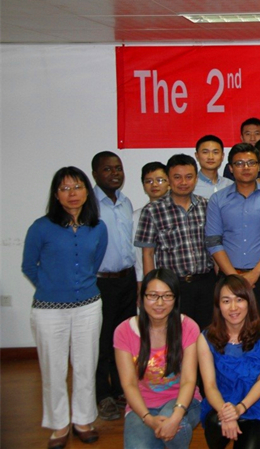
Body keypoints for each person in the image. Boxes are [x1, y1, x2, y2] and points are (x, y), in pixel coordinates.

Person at [23, 167, 108, 449]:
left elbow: (94, 264)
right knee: (53, 368)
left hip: (88, 307)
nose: (72, 194)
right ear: (56, 195)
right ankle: (59, 423)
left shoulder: (98, 227)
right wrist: (50, 287)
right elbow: (28, 266)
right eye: (65, 188)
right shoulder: (41, 227)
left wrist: (79, 286)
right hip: (49, 310)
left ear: (87, 192)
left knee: (86, 365)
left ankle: (83, 420)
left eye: (78, 187)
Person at [114, 268, 202, 449]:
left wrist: (176, 416)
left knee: (175, 426)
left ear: (175, 299)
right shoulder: (124, 331)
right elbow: (129, 384)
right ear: (141, 298)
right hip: (142, 407)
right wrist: (148, 419)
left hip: (183, 402)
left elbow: (188, 380)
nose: (160, 303)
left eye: (167, 296)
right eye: (153, 295)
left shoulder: (188, 327)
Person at [206, 143, 260, 323]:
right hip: (228, 278)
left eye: (251, 163)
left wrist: (254, 274)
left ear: (258, 166)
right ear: (230, 168)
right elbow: (213, 241)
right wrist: (234, 277)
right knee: (228, 329)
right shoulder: (217, 199)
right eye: (239, 163)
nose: (246, 167)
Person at [136, 154, 216, 329]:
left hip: (206, 283)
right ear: (168, 179)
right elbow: (148, 253)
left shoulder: (207, 206)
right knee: (176, 334)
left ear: (196, 178)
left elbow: (215, 246)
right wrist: (152, 289)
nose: (183, 182)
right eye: (177, 177)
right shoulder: (152, 210)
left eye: (189, 177)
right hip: (172, 286)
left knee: (207, 333)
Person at [198, 275, 260, 449]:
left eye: (239, 300)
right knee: (216, 424)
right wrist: (226, 412)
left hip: (255, 404)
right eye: (226, 301)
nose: (233, 307)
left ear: (249, 302)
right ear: (218, 305)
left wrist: (239, 409)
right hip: (221, 403)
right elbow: (209, 386)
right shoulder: (206, 338)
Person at [92, 150, 137, 421]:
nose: (114, 173)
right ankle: (103, 395)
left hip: (127, 280)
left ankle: (122, 389)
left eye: (118, 168)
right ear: (95, 174)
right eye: (107, 169)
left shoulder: (125, 202)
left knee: (124, 339)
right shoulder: (89, 205)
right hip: (101, 282)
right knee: (101, 340)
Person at [133, 162, 170, 291]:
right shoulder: (136, 216)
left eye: (159, 180)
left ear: (169, 182)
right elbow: (139, 256)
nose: (154, 185)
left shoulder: (178, 212)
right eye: (148, 181)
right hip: (153, 282)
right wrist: (142, 284)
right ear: (143, 186)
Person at [194, 135, 234, 199]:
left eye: (215, 152)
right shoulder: (190, 186)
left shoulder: (231, 185)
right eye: (205, 152)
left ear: (222, 156)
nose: (210, 157)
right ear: (197, 156)